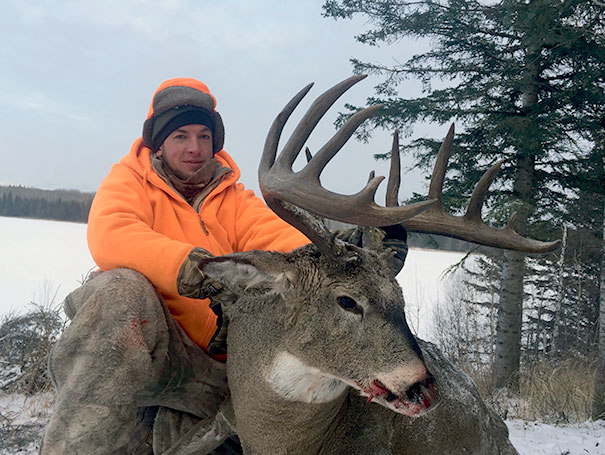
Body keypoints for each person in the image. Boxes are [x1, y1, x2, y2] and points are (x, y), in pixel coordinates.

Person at [41, 77, 408, 454]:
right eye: (181, 136)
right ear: (159, 142)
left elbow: (279, 239)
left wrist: (347, 256)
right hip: (157, 350)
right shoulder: (130, 181)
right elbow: (111, 233)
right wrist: (189, 267)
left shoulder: (232, 196)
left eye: (204, 136)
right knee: (119, 291)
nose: (195, 148)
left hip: (217, 368)